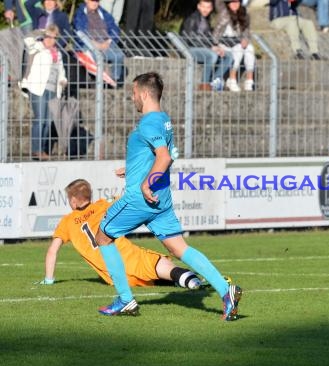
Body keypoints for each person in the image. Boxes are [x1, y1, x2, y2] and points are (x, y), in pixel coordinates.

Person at [94, 72, 242, 319]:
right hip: (161, 200)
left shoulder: (149, 122)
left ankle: (124, 299)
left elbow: (164, 157)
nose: (132, 99)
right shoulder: (164, 120)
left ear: (143, 93)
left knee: (103, 236)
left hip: (141, 198)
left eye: (133, 94)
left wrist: (145, 184)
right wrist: (132, 169)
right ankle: (225, 291)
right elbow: (155, 155)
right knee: (179, 247)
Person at [37, 179, 203, 290]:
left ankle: (188, 279)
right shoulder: (102, 205)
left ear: (73, 201)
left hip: (114, 277)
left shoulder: (67, 222)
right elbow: (125, 201)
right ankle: (195, 280)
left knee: (152, 276)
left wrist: (49, 280)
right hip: (125, 255)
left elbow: (53, 250)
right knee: (159, 265)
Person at [20, 24, 67, 160]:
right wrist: (41, 32)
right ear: (44, 36)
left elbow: (61, 70)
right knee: (40, 119)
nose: (51, 40)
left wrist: (63, 80)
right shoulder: (36, 48)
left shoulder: (57, 53)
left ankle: (44, 149)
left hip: (53, 89)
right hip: (38, 88)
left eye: (54, 37)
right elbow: (28, 39)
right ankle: (37, 150)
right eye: (48, 37)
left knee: (48, 120)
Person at [179, 0, 232, 92]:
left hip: (203, 48)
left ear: (211, 8)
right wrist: (210, 47)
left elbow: (208, 39)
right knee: (212, 55)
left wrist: (217, 47)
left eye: (208, 7)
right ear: (198, 6)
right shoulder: (192, 19)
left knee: (228, 56)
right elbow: (190, 40)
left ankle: (215, 82)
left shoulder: (206, 20)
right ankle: (204, 84)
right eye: (203, 7)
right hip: (188, 49)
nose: (205, 10)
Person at [73, 0, 125, 85]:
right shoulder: (80, 14)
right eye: (92, 1)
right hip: (88, 44)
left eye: (97, 1)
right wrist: (93, 43)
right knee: (94, 57)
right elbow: (79, 31)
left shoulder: (104, 13)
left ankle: (114, 79)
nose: (95, 3)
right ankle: (98, 80)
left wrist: (108, 41)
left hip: (105, 43)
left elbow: (114, 29)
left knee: (119, 55)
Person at [214, 0, 255, 91]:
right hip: (223, 43)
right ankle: (232, 79)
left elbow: (246, 31)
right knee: (239, 48)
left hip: (237, 42)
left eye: (236, 2)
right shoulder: (224, 13)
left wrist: (245, 39)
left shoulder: (244, 14)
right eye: (231, 2)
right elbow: (216, 32)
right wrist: (215, 45)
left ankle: (249, 80)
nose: (234, 4)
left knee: (250, 48)